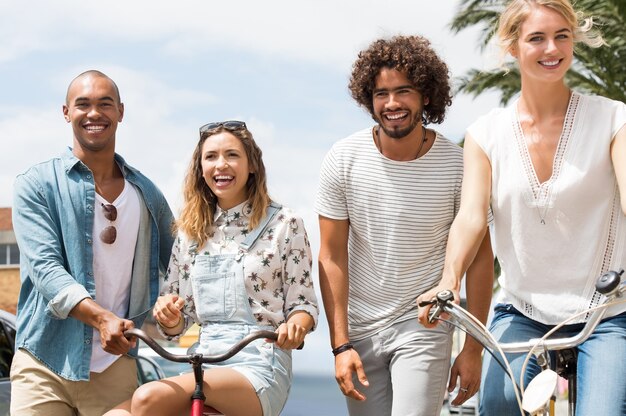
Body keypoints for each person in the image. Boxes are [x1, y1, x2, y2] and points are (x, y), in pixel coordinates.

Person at [417, 1, 626, 414]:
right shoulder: (485, 134)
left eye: (562, 36)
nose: (552, 48)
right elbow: (472, 216)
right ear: (513, 46)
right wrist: (448, 279)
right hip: (523, 309)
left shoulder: (614, 119)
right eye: (537, 38)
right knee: (497, 404)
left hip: (604, 311)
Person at [315, 35, 494, 416]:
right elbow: (331, 257)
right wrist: (340, 345)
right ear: (369, 99)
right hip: (360, 331)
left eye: (404, 91)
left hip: (424, 325)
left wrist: (473, 348)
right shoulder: (343, 159)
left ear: (426, 95)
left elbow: (481, 260)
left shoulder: (458, 165)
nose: (392, 103)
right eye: (381, 94)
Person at [105, 121, 319, 416]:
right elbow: (176, 327)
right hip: (202, 360)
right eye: (211, 157)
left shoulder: (285, 223)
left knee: (147, 398)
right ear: (200, 168)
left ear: (252, 165)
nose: (221, 165)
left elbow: (303, 303)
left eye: (232, 155)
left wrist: (296, 325)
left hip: (259, 362)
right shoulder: (189, 233)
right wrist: (169, 316)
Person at [10, 70, 175, 416]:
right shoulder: (36, 184)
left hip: (114, 367)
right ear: (66, 112)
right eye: (82, 104)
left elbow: (180, 266)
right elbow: (46, 270)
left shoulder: (148, 195)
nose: (94, 113)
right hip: (43, 361)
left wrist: (175, 314)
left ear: (120, 112)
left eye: (105, 104)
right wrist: (102, 319)